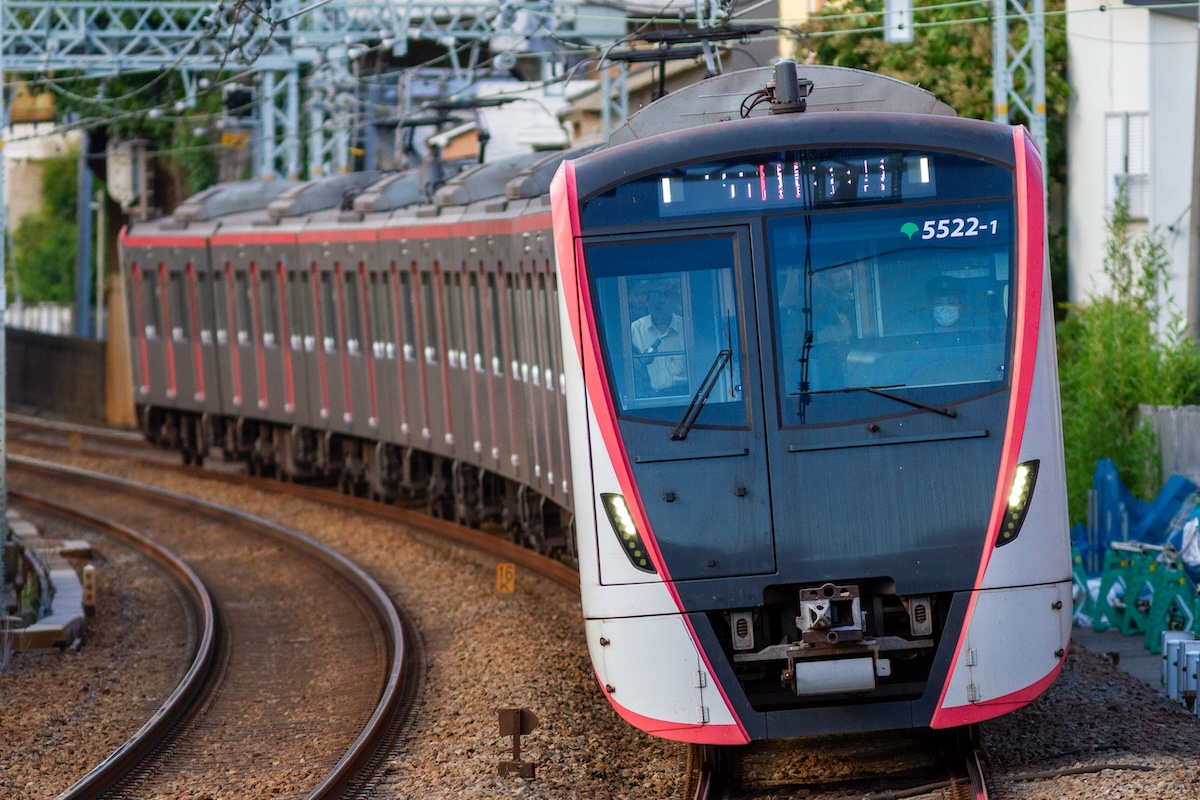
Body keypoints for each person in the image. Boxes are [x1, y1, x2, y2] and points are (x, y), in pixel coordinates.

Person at [631, 279, 688, 394]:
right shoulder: (636, 328)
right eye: (654, 296)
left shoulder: (686, 327)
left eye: (666, 295)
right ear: (647, 300)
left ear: (676, 299)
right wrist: (641, 362)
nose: (660, 301)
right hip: (648, 397)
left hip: (685, 396)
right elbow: (626, 370)